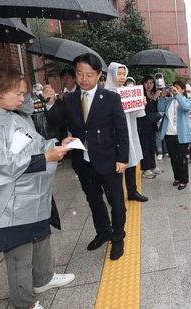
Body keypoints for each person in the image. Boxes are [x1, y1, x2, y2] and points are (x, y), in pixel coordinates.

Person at [0, 67, 75, 309]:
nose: (23, 99)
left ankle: (43, 278)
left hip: (30, 193)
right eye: (18, 93)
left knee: (40, 236)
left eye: (25, 94)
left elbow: (36, 144)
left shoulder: (11, 116)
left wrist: (56, 145)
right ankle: (25, 302)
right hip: (5, 201)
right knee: (20, 251)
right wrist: (44, 158)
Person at [44, 53, 129, 261]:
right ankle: (103, 232)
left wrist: (122, 158)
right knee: (94, 201)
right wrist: (49, 103)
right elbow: (55, 121)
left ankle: (118, 237)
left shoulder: (110, 98)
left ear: (98, 75)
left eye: (89, 74)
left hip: (109, 160)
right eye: (80, 73)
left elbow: (121, 130)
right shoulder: (70, 99)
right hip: (83, 162)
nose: (84, 78)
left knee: (116, 201)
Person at [105, 62, 148, 202]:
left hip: (129, 131)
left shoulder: (128, 92)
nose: (122, 77)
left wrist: (141, 103)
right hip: (113, 136)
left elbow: (137, 113)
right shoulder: (106, 94)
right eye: (119, 73)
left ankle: (132, 191)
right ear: (111, 74)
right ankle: (115, 196)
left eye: (124, 74)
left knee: (131, 161)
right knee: (117, 166)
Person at [157, 80, 191, 190]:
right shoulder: (169, 101)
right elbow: (160, 108)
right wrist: (162, 97)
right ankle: (177, 178)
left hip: (181, 135)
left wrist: (177, 95)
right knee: (173, 158)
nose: (174, 89)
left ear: (182, 90)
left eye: (177, 87)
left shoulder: (187, 100)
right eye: (173, 87)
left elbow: (185, 108)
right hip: (169, 134)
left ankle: (184, 180)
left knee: (182, 159)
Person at [137, 75, 162, 179]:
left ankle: (152, 166)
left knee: (152, 147)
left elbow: (156, 109)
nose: (149, 85)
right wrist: (154, 98)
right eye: (146, 82)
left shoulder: (153, 94)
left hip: (152, 125)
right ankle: (145, 169)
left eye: (151, 83)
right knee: (145, 147)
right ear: (143, 84)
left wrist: (160, 98)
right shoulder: (140, 95)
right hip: (142, 125)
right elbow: (145, 110)